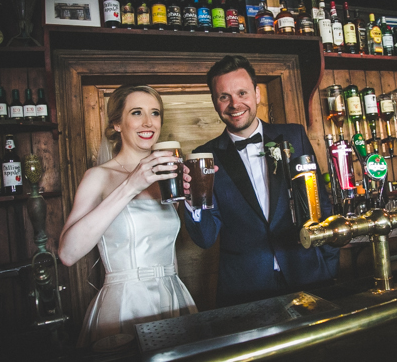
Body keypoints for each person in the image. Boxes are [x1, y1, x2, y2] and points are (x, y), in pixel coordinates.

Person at [183, 55, 339, 307]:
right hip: (244, 289)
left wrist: (328, 263)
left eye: (242, 93)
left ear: (256, 94)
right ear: (215, 103)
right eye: (224, 97)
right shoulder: (205, 157)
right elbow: (205, 238)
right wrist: (192, 202)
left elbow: (322, 203)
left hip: (309, 274)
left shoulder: (294, 135)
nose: (235, 104)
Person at [58, 84, 196, 348]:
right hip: (125, 304)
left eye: (155, 113)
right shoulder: (98, 176)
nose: (148, 122)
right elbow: (67, 253)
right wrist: (131, 185)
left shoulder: (168, 179)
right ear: (117, 124)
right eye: (136, 113)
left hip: (173, 295)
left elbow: (169, 253)